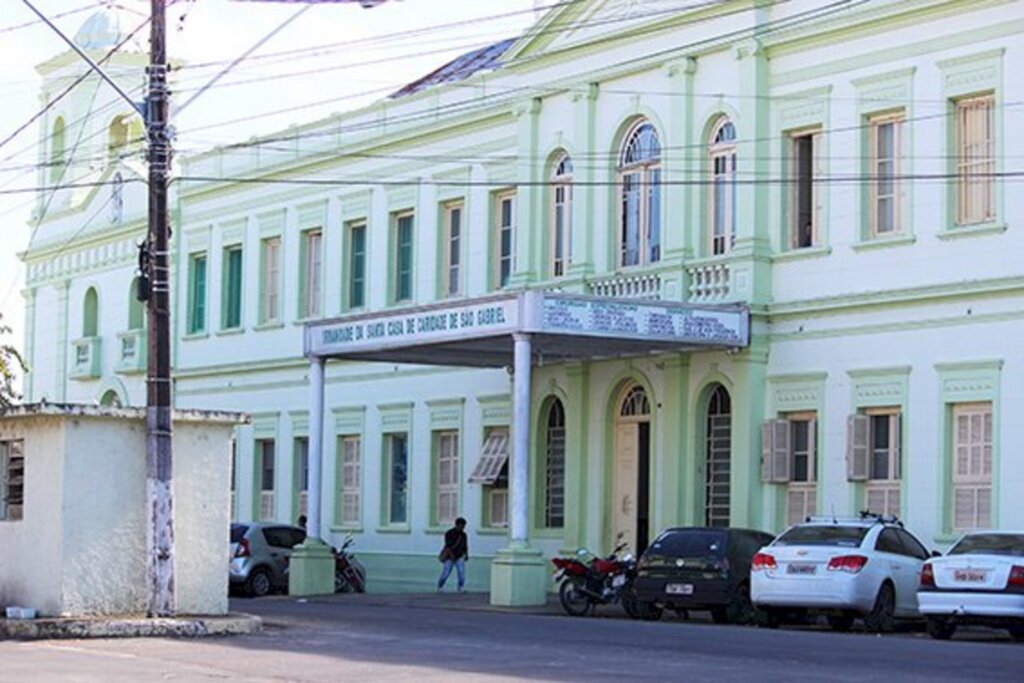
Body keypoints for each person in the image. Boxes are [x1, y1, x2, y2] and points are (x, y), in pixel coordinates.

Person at [437, 517, 468, 593]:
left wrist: (466, 554)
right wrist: (452, 557)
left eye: (463, 526)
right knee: (446, 573)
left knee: (461, 572)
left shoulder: (464, 535)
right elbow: (448, 546)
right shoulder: (449, 533)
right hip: (449, 557)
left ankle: (460, 587)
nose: (462, 528)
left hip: (459, 556)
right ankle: (440, 585)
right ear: (457, 525)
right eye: (461, 526)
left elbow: (465, 546)